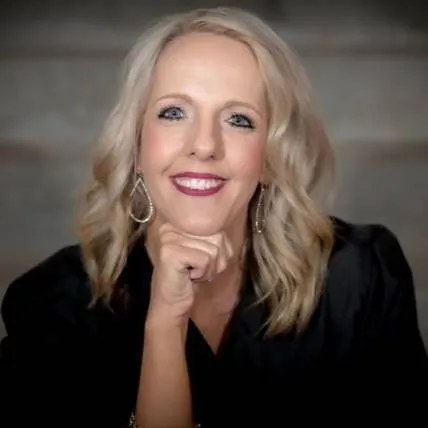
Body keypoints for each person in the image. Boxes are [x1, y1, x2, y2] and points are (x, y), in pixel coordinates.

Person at [1, 6, 427, 428]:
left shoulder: (360, 276)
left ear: (270, 159)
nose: (204, 145)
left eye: (239, 120)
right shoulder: (51, 305)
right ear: (137, 147)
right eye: (173, 113)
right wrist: (165, 325)